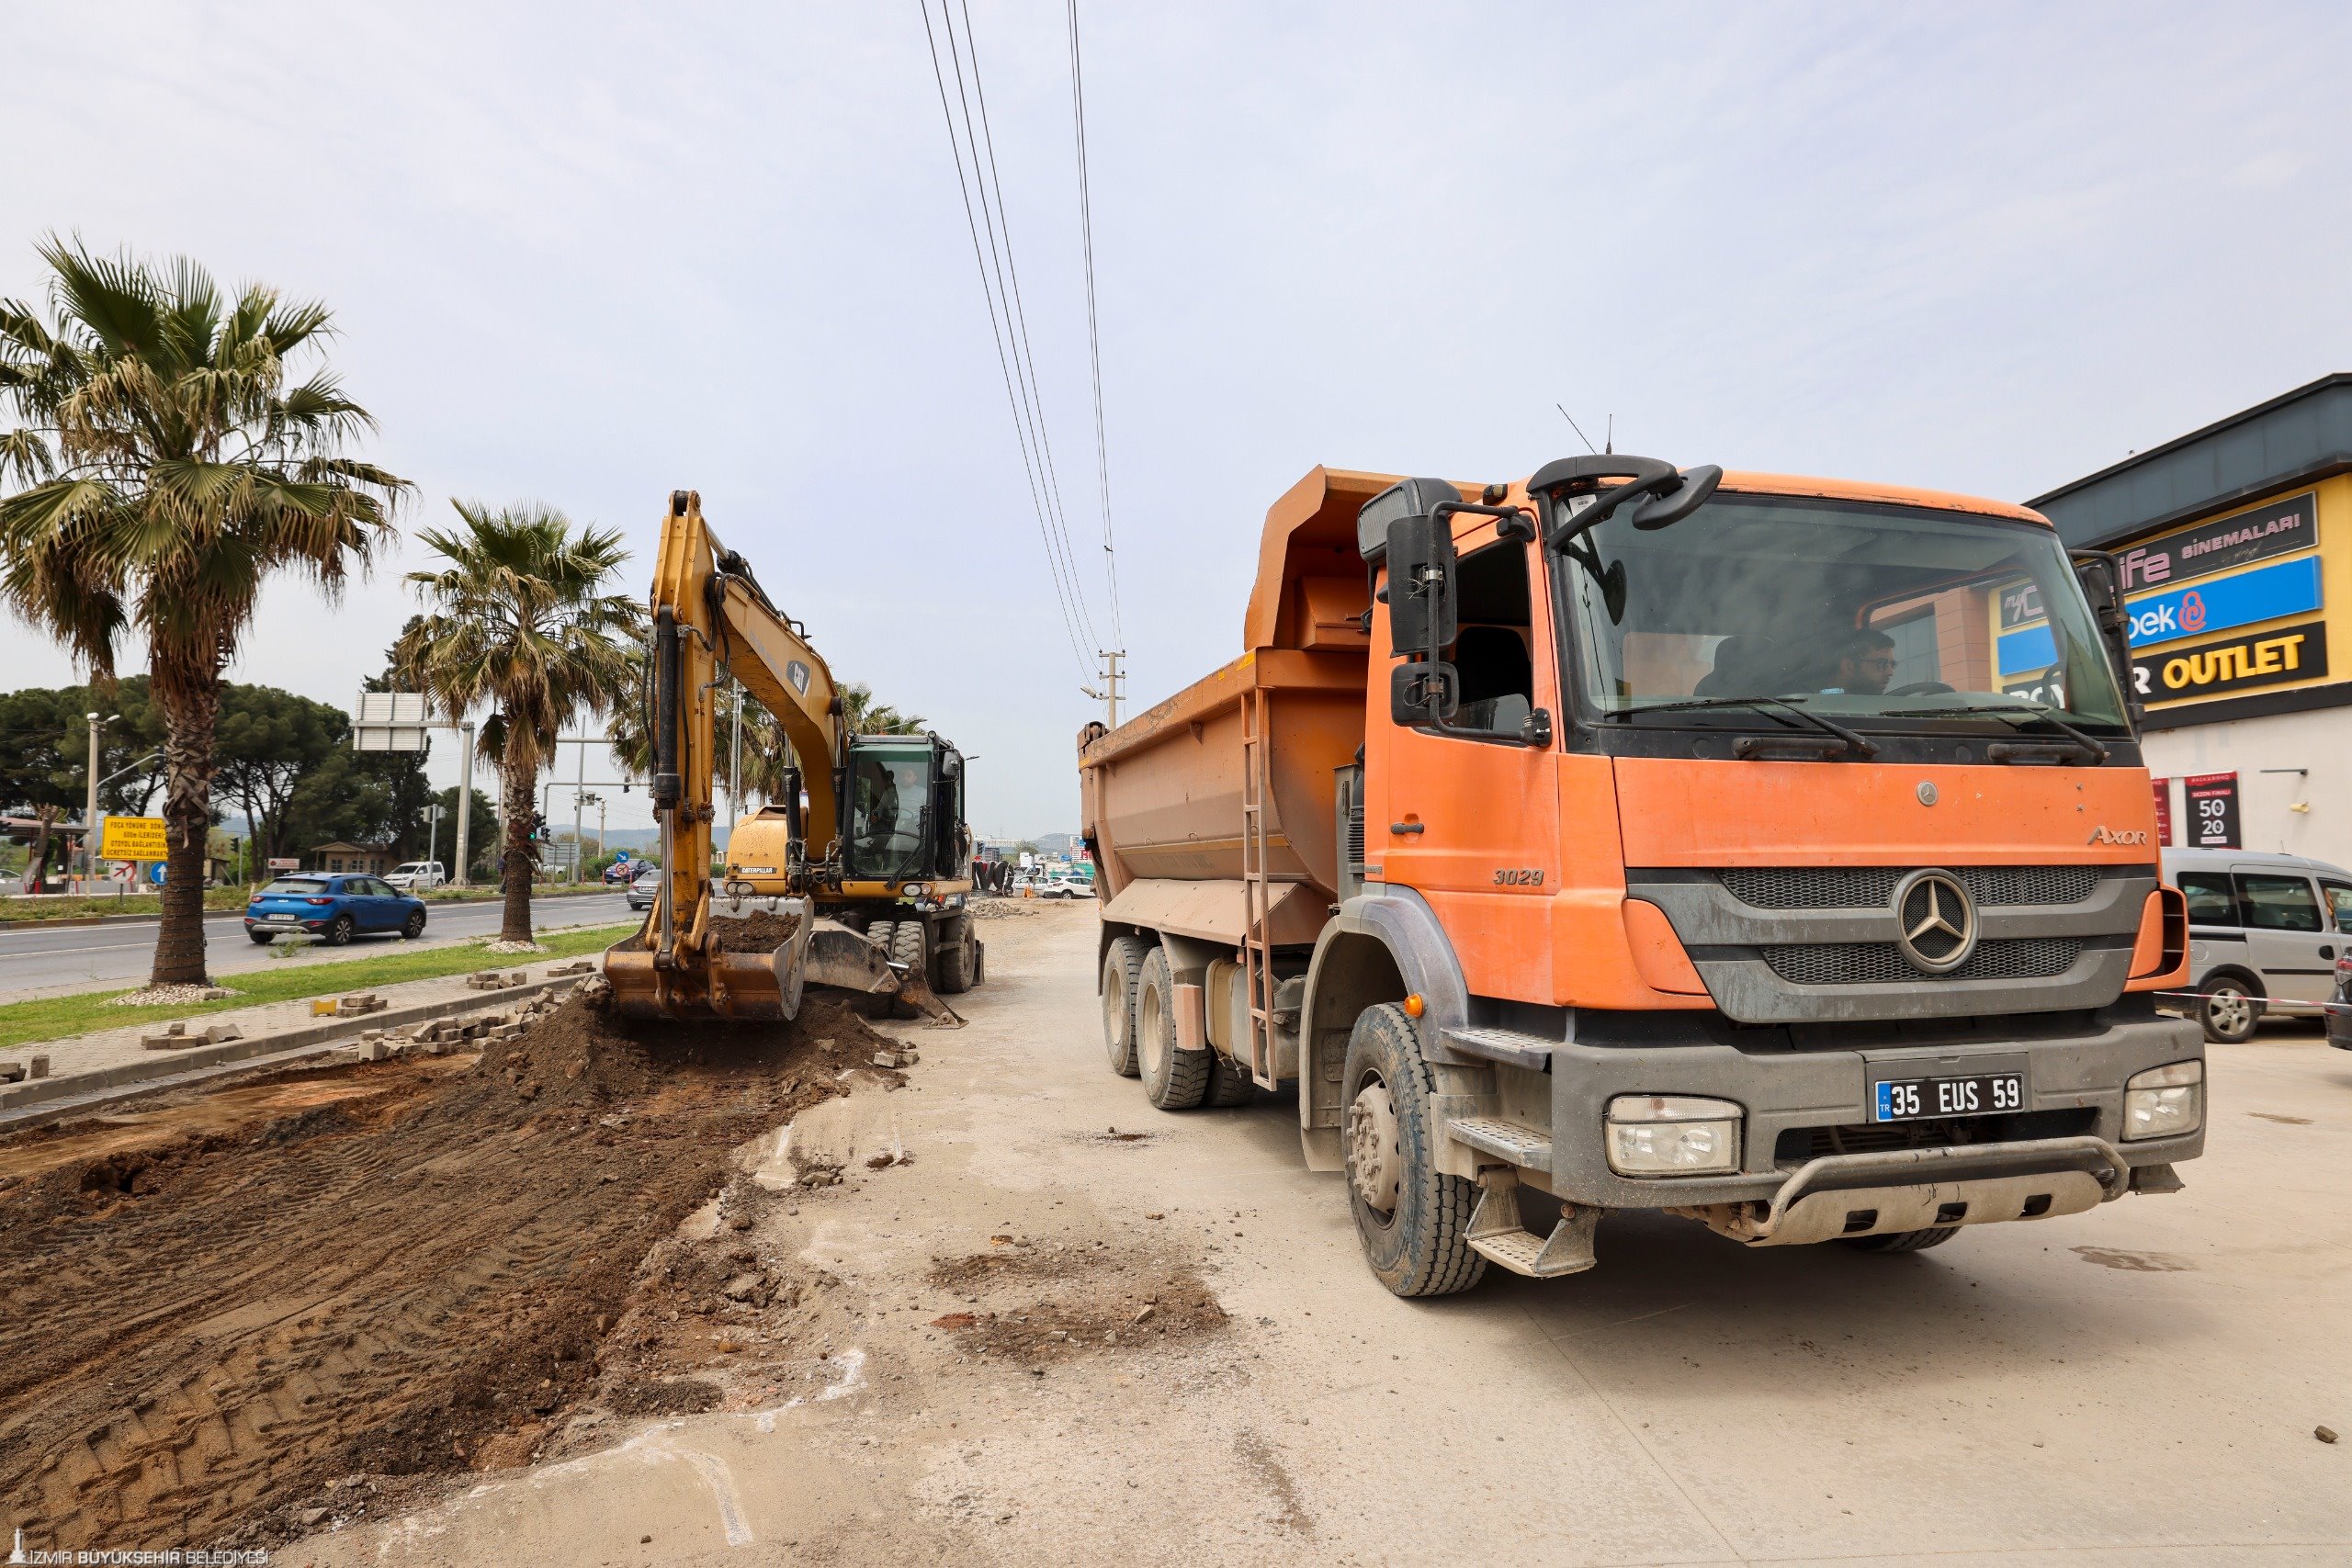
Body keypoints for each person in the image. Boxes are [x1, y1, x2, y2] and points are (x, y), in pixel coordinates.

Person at [1827, 628, 1898, 695]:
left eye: (1892, 664)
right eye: (1881, 663)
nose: (1891, 672)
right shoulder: (1821, 705)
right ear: (1848, 666)